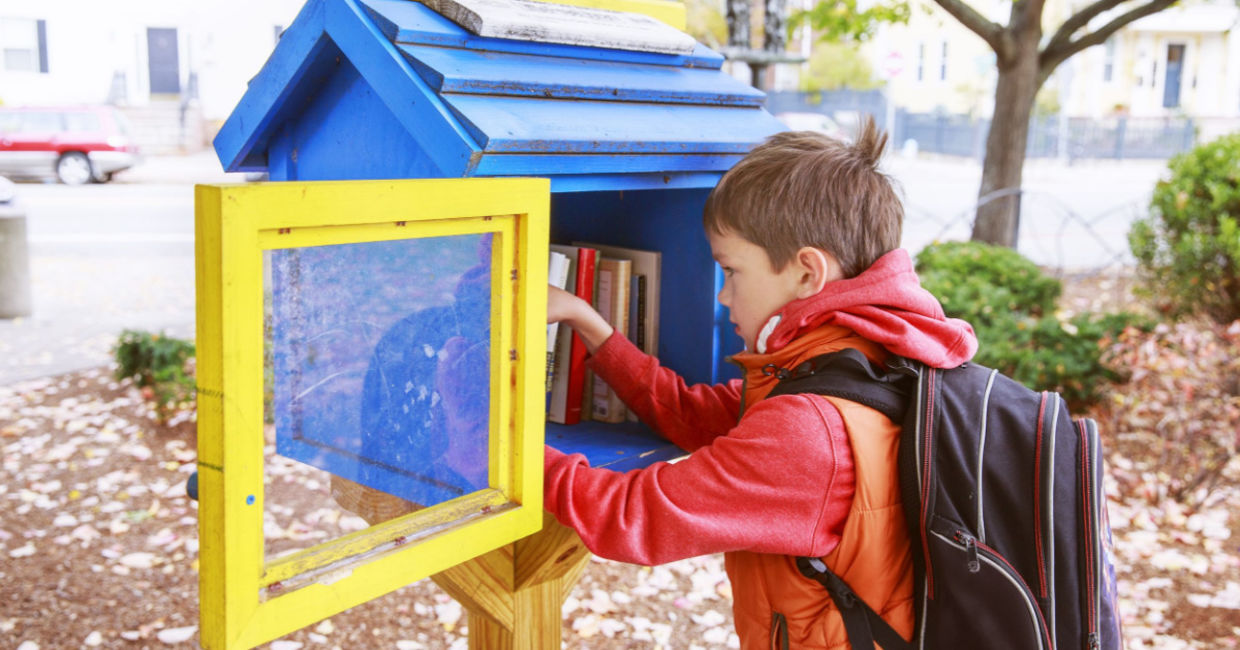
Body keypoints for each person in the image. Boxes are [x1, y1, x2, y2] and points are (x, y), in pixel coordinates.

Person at [543, 118, 979, 648]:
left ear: (806, 274)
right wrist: (591, 323)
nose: (724, 296)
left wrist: (497, 441)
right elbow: (693, 412)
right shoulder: (870, 353)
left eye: (732, 271)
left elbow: (632, 514)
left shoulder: (810, 429)